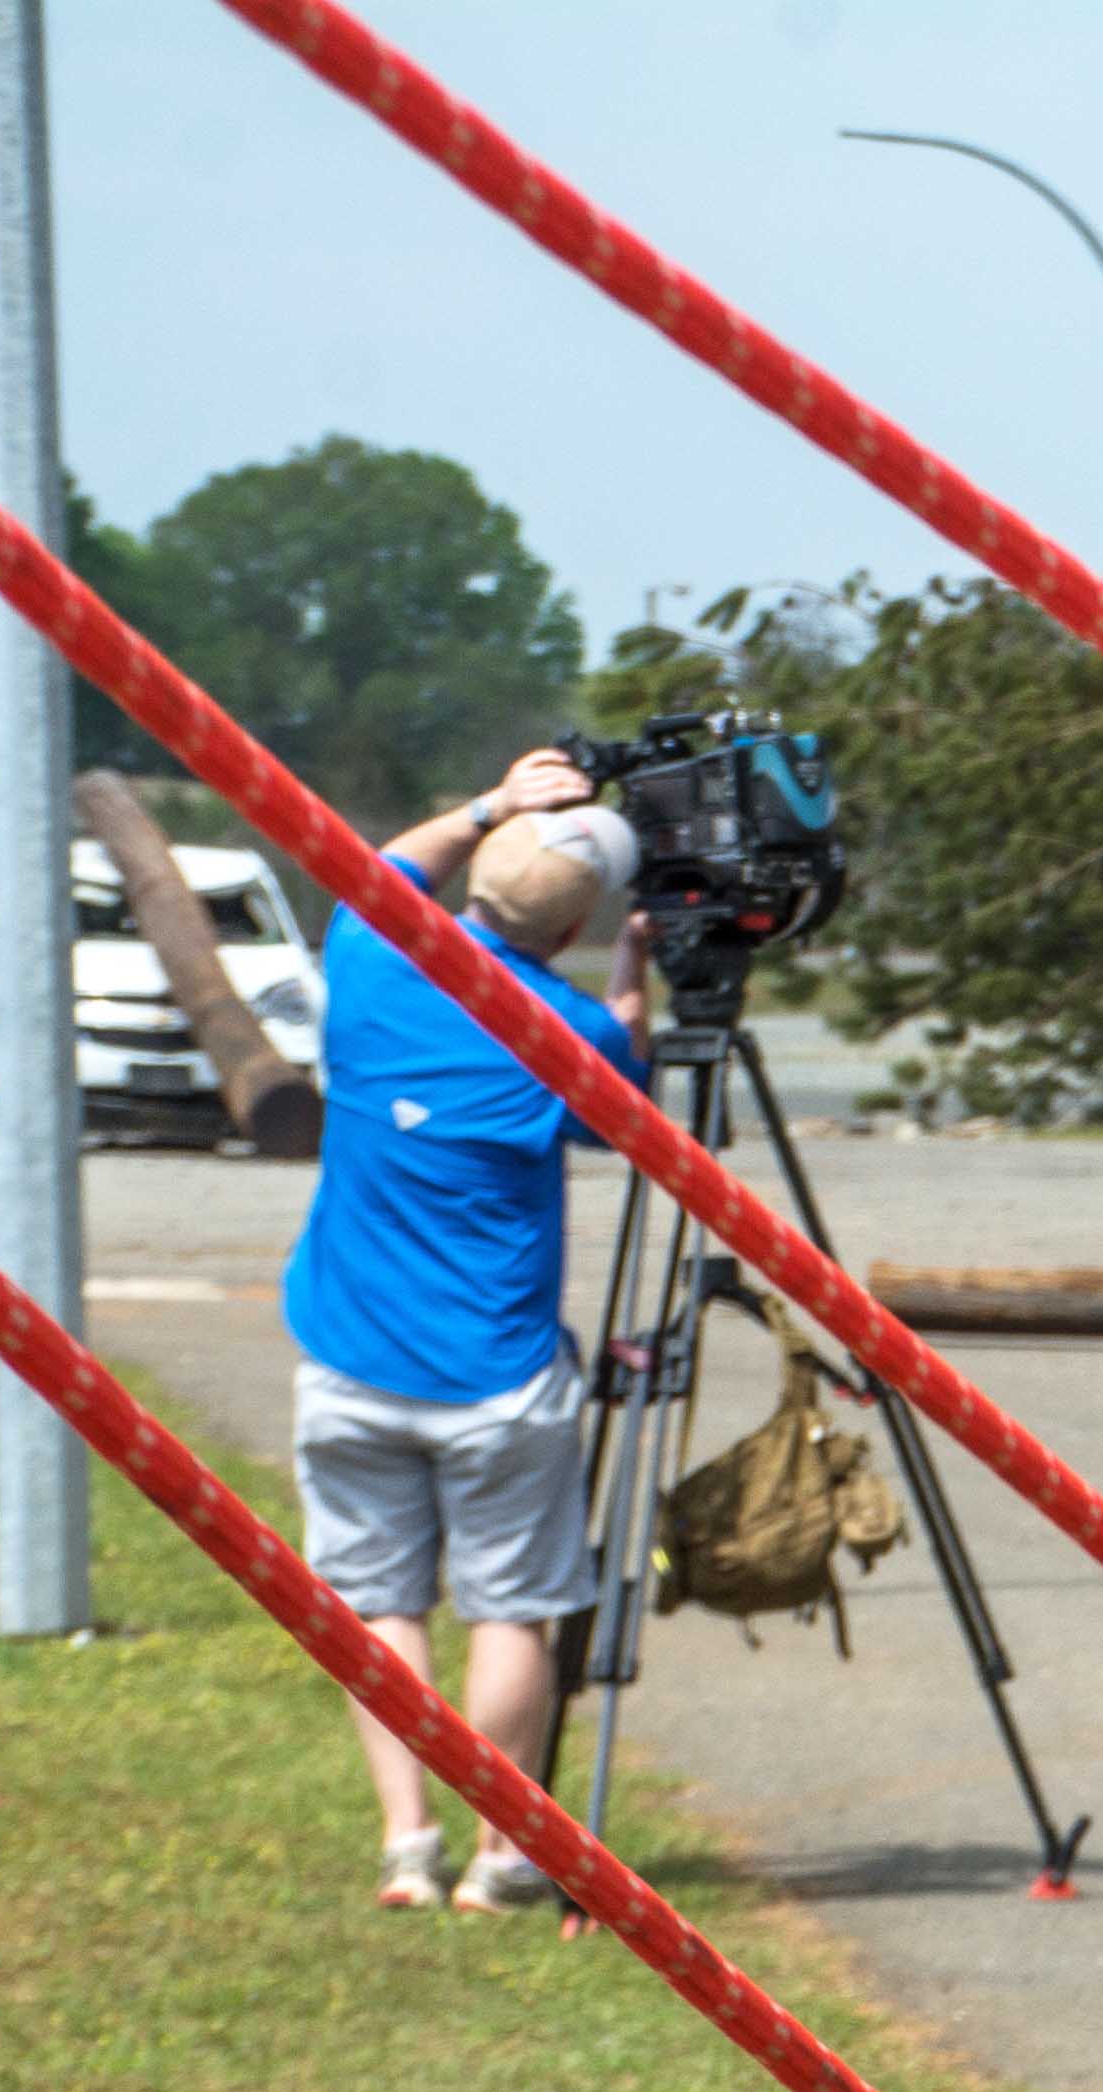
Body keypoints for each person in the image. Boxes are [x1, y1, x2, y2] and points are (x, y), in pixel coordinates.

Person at [284, 746, 652, 1912]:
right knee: (510, 1609)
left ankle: (407, 1840)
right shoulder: (568, 1029)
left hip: (350, 1355)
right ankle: (505, 1853)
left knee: (377, 1604)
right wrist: (637, 979)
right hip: (494, 1378)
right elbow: (626, 1112)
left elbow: (389, 865)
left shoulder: (372, 957)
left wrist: (498, 801)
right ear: (584, 919)